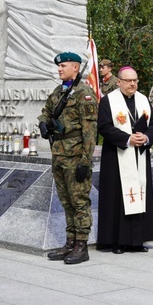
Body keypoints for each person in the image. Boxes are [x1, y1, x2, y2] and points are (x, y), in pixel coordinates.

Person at [38, 52, 97, 264]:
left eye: (63, 66)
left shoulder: (84, 93)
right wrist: (43, 123)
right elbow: (46, 111)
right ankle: (70, 242)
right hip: (59, 154)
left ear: (75, 67)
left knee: (79, 201)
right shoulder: (59, 91)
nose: (59, 69)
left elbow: (90, 131)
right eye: (59, 66)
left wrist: (85, 161)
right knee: (66, 201)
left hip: (75, 156)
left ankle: (82, 245)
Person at [97, 66, 153, 253]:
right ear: (119, 82)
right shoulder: (108, 101)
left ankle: (136, 240)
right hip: (118, 155)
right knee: (119, 197)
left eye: (135, 80)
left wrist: (146, 137)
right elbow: (104, 126)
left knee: (139, 194)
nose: (132, 84)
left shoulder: (143, 100)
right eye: (128, 80)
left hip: (139, 155)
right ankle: (117, 241)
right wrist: (127, 138)